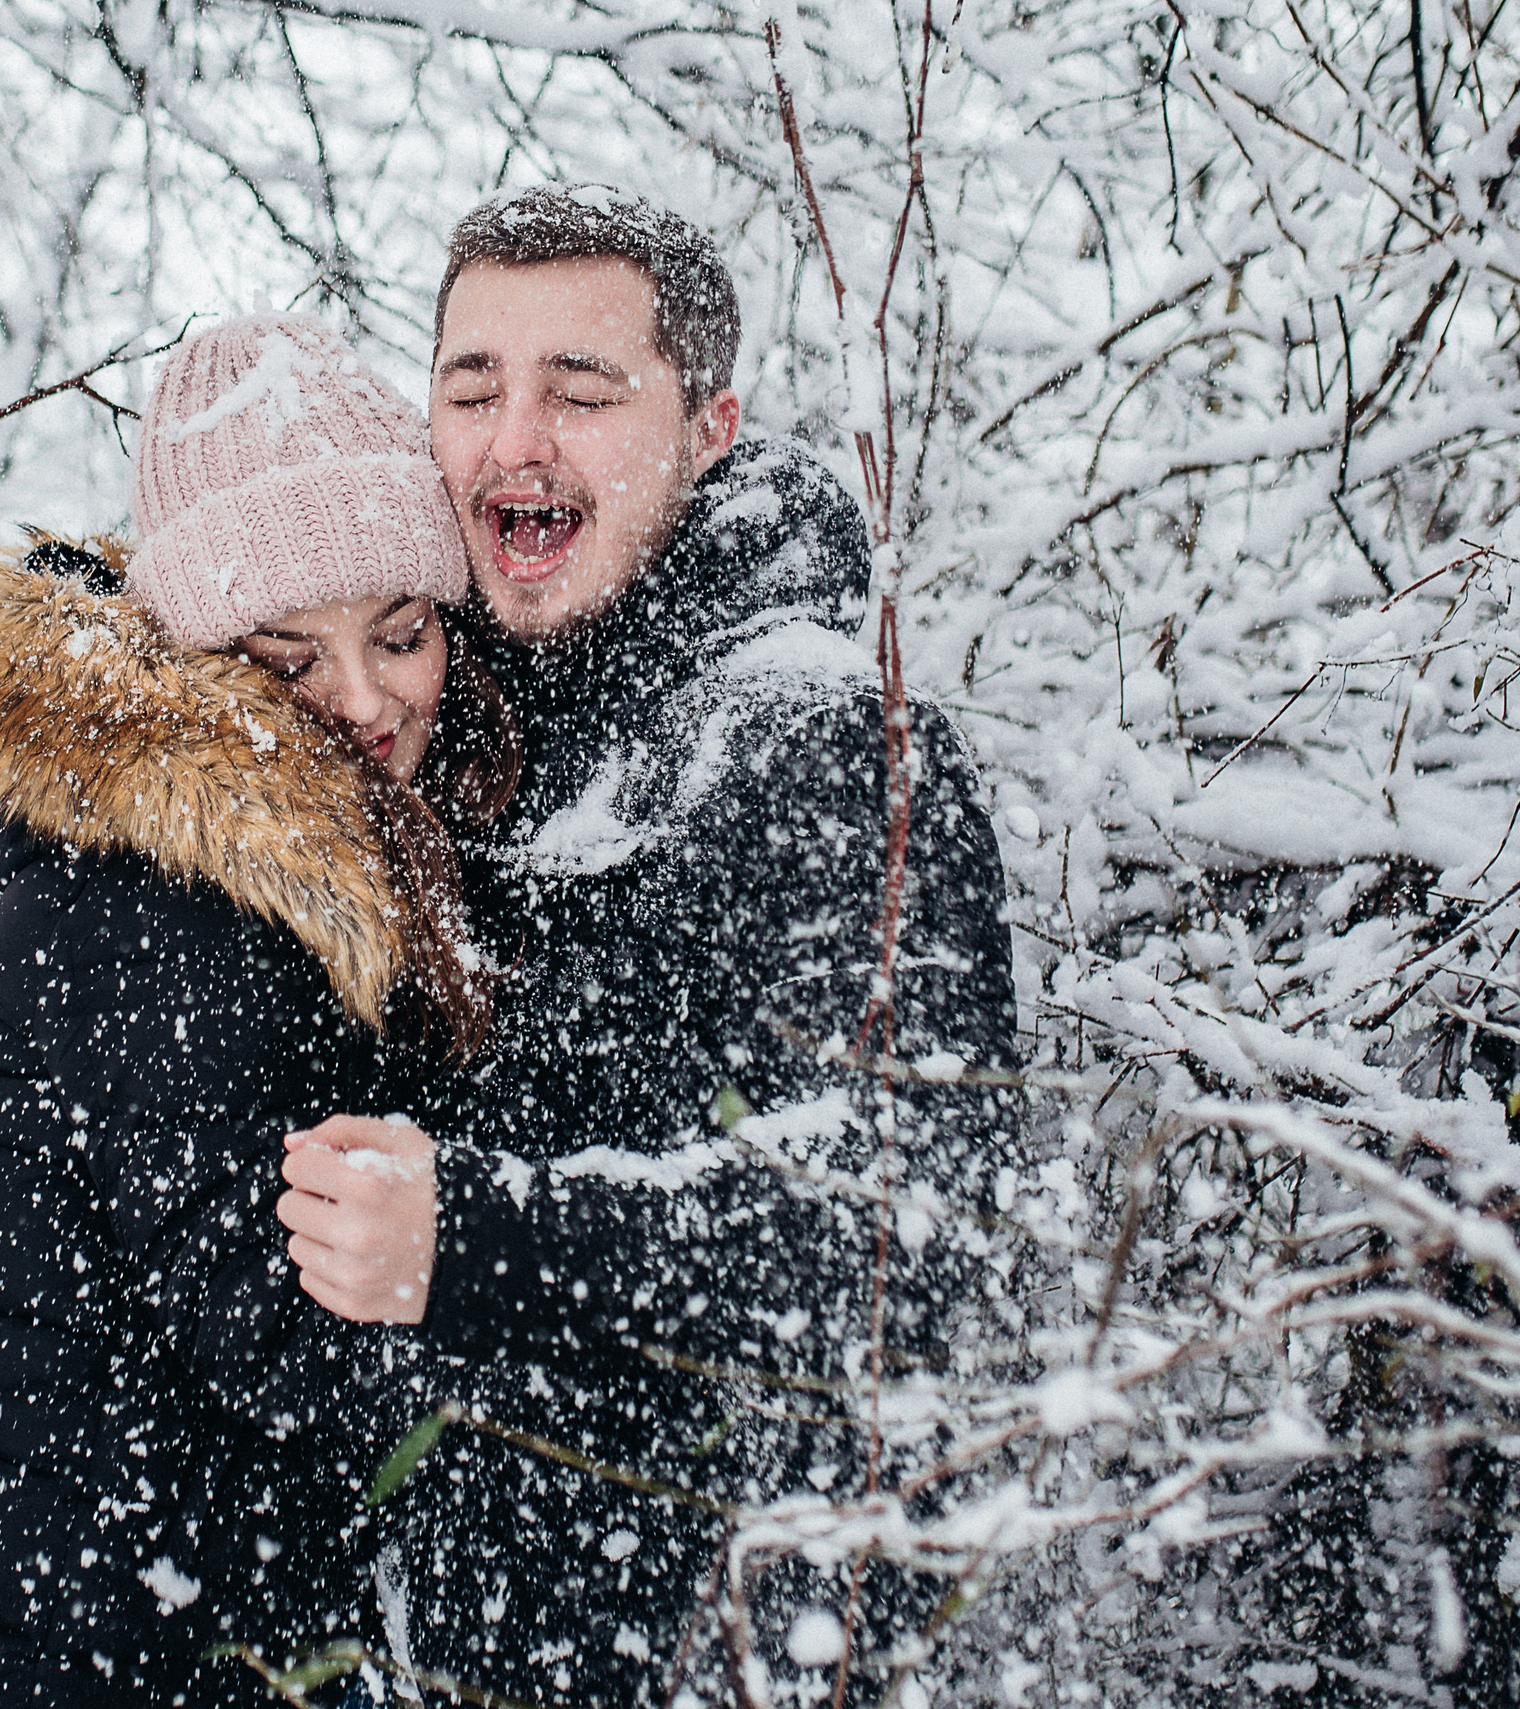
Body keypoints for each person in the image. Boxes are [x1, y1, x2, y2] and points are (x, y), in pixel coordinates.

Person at [276, 186, 1022, 1706]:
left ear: (711, 426)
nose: (516, 442)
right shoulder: (410, 717)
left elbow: (904, 1237)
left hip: (714, 1648)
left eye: (583, 392)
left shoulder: (835, 756)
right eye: (473, 389)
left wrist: (477, 1241)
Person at [0, 314, 515, 1707]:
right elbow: (281, 1346)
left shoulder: (283, 862)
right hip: (92, 1655)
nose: (364, 698)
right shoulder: (164, 904)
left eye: (402, 634)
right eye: (292, 661)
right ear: (210, 663)